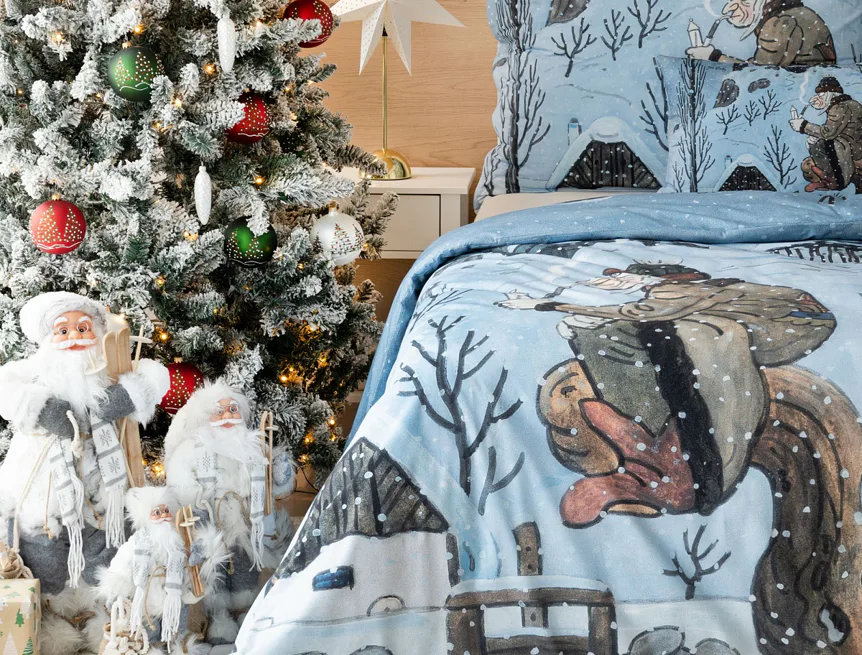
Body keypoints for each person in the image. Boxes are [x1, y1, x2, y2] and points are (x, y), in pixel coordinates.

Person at [498, 263, 836, 527]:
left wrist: (548, 306)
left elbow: (635, 315)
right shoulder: (635, 444)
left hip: (698, 463)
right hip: (700, 468)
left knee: (635, 342)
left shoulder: (675, 292)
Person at [0, 292, 169, 655]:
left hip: (102, 492)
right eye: (63, 330)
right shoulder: (34, 371)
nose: (74, 337)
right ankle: (49, 622)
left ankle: (103, 621)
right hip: (43, 494)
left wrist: (127, 395)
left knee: (104, 553)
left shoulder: (109, 369)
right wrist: (42, 409)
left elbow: (155, 375)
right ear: (48, 338)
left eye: (83, 328)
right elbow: (5, 387)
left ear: (97, 332)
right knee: (45, 557)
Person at [163, 381, 295, 645]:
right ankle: (219, 616)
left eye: (232, 409)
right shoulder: (191, 449)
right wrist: (195, 512)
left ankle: (245, 611)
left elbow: (272, 487)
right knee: (215, 571)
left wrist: (281, 474)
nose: (226, 416)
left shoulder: (254, 447)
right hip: (211, 521)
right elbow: (180, 482)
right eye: (218, 411)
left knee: (245, 567)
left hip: (245, 522)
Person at [96, 486, 226, 655]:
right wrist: (113, 594)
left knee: (178, 630)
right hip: (147, 602)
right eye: (157, 512)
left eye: (166, 510)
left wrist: (201, 556)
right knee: (149, 633)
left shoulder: (180, 542)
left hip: (177, 599)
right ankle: (151, 649)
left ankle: (179, 647)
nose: (164, 516)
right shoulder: (136, 543)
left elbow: (202, 561)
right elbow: (121, 568)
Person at [687, 0, 835, 66]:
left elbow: (759, 73)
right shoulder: (797, 13)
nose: (728, 9)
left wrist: (714, 57)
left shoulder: (778, 23)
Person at [790, 77, 862, 192]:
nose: (819, 97)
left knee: (817, 145)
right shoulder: (847, 104)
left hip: (849, 147)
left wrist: (803, 125)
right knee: (816, 142)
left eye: (821, 94)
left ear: (829, 93)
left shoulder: (840, 107)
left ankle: (834, 180)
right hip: (853, 143)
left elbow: (829, 132)